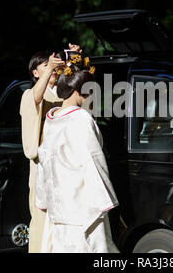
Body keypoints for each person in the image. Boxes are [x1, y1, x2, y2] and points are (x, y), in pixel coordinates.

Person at [35, 56, 119, 253]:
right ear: (79, 92)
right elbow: (94, 160)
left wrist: (43, 198)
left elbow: (44, 160)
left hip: (59, 205)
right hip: (81, 204)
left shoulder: (51, 119)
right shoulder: (81, 118)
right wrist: (105, 198)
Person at [20, 44, 81, 253]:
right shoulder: (29, 95)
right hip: (42, 168)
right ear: (35, 73)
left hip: (66, 166)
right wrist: (48, 72)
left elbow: (77, 90)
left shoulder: (64, 94)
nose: (51, 70)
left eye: (53, 66)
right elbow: (35, 100)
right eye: (45, 66)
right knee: (41, 217)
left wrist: (74, 60)